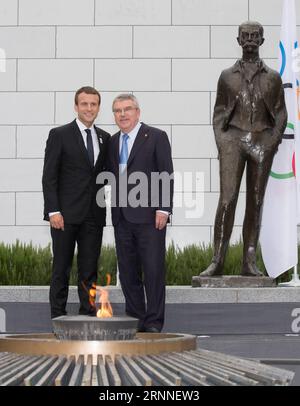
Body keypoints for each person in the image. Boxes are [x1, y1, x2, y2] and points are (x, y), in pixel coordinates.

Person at [200, 21, 287, 277]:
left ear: (262, 40)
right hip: (233, 141)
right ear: (238, 40)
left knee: (256, 201)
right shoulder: (227, 76)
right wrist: (223, 140)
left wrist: (272, 140)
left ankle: (249, 261)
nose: (249, 40)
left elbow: (280, 114)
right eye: (245, 36)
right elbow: (218, 113)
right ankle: (217, 260)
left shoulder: (273, 77)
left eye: (254, 36)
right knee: (227, 200)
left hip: (262, 140)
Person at [42, 86, 110, 319]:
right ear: (76, 106)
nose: (89, 108)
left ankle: (88, 315)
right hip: (64, 216)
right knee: (61, 269)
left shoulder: (105, 137)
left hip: (94, 216)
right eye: (84, 104)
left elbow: (107, 176)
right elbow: (49, 176)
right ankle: (58, 317)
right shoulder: (59, 135)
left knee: (89, 271)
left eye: (93, 104)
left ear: (98, 108)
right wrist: (53, 211)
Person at [108, 94, 173, 332]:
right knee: (127, 272)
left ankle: (154, 323)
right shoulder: (113, 142)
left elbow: (166, 174)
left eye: (127, 109)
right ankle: (135, 319)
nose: (122, 114)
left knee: (153, 271)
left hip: (150, 218)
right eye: (117, 111)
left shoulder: (156, 137)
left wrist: (164, 209)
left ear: (138, 112)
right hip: (121, 218)